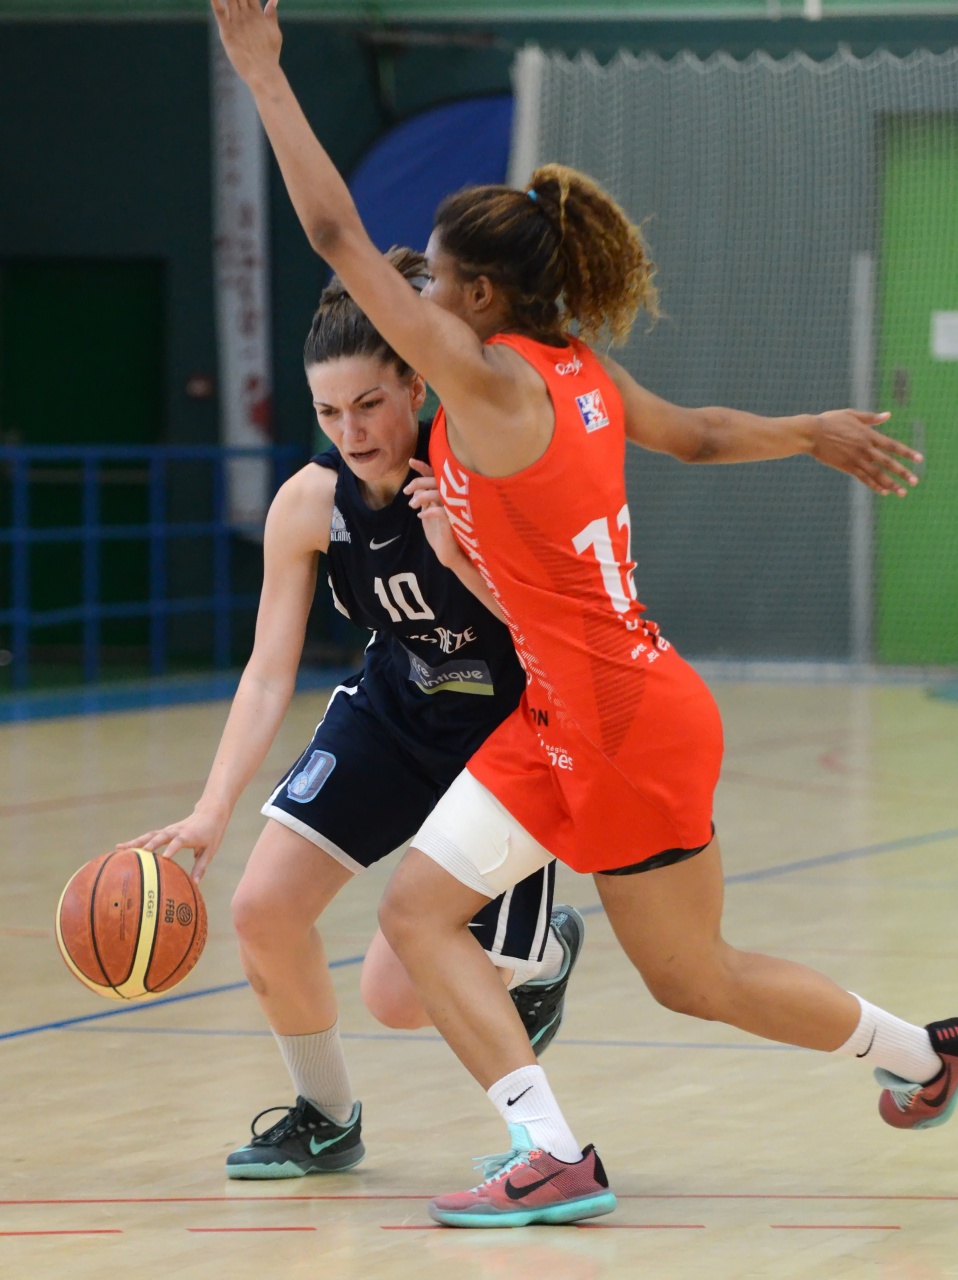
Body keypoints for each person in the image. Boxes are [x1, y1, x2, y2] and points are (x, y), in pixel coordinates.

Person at [209, 0, 951, 1231]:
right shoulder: (579, 373)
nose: (419, 287)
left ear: (480, 292)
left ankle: (914, 1051)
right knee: (416, 912)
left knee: (694, 978)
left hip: (618, 723)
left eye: (435, 275)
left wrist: (261, 72)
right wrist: (808, 431)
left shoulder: (489, 385)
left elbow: (334, 233)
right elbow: (697, 434)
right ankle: (554, 1145)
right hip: (575, 707)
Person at [118, 247, 585, 1181]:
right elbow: (267, 673)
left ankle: (544, 956)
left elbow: (560, 634)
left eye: (369, 404)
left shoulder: (482, 472)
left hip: (506, 739)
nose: (351, 430)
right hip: (396, 713)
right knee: (261, 909)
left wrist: (461, 556)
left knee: (398, 998)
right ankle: (326, 1116)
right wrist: (212, 808)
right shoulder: (310, 503)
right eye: (329, 412)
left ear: (416, 384)